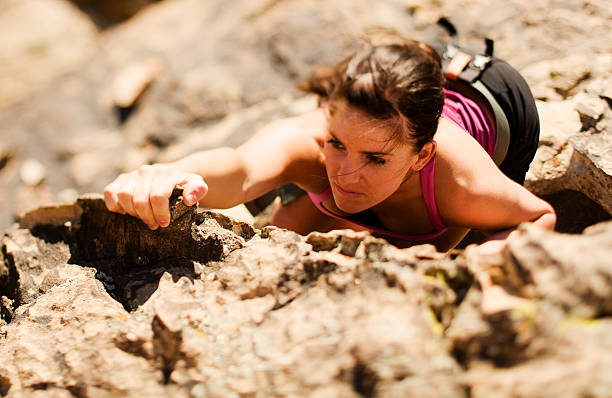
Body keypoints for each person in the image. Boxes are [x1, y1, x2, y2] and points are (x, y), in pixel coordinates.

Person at [103, 32, 555, 252]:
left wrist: (491, 265)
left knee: (430, 251)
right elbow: (241, 170)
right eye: (338, 143)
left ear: (423, 156)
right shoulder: (310, 142)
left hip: (498, 102)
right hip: (406, 86)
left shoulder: (458, 182)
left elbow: (536, 215)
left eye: (375, 159)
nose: (345, 172)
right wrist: (174, 173)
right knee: (281, 234)